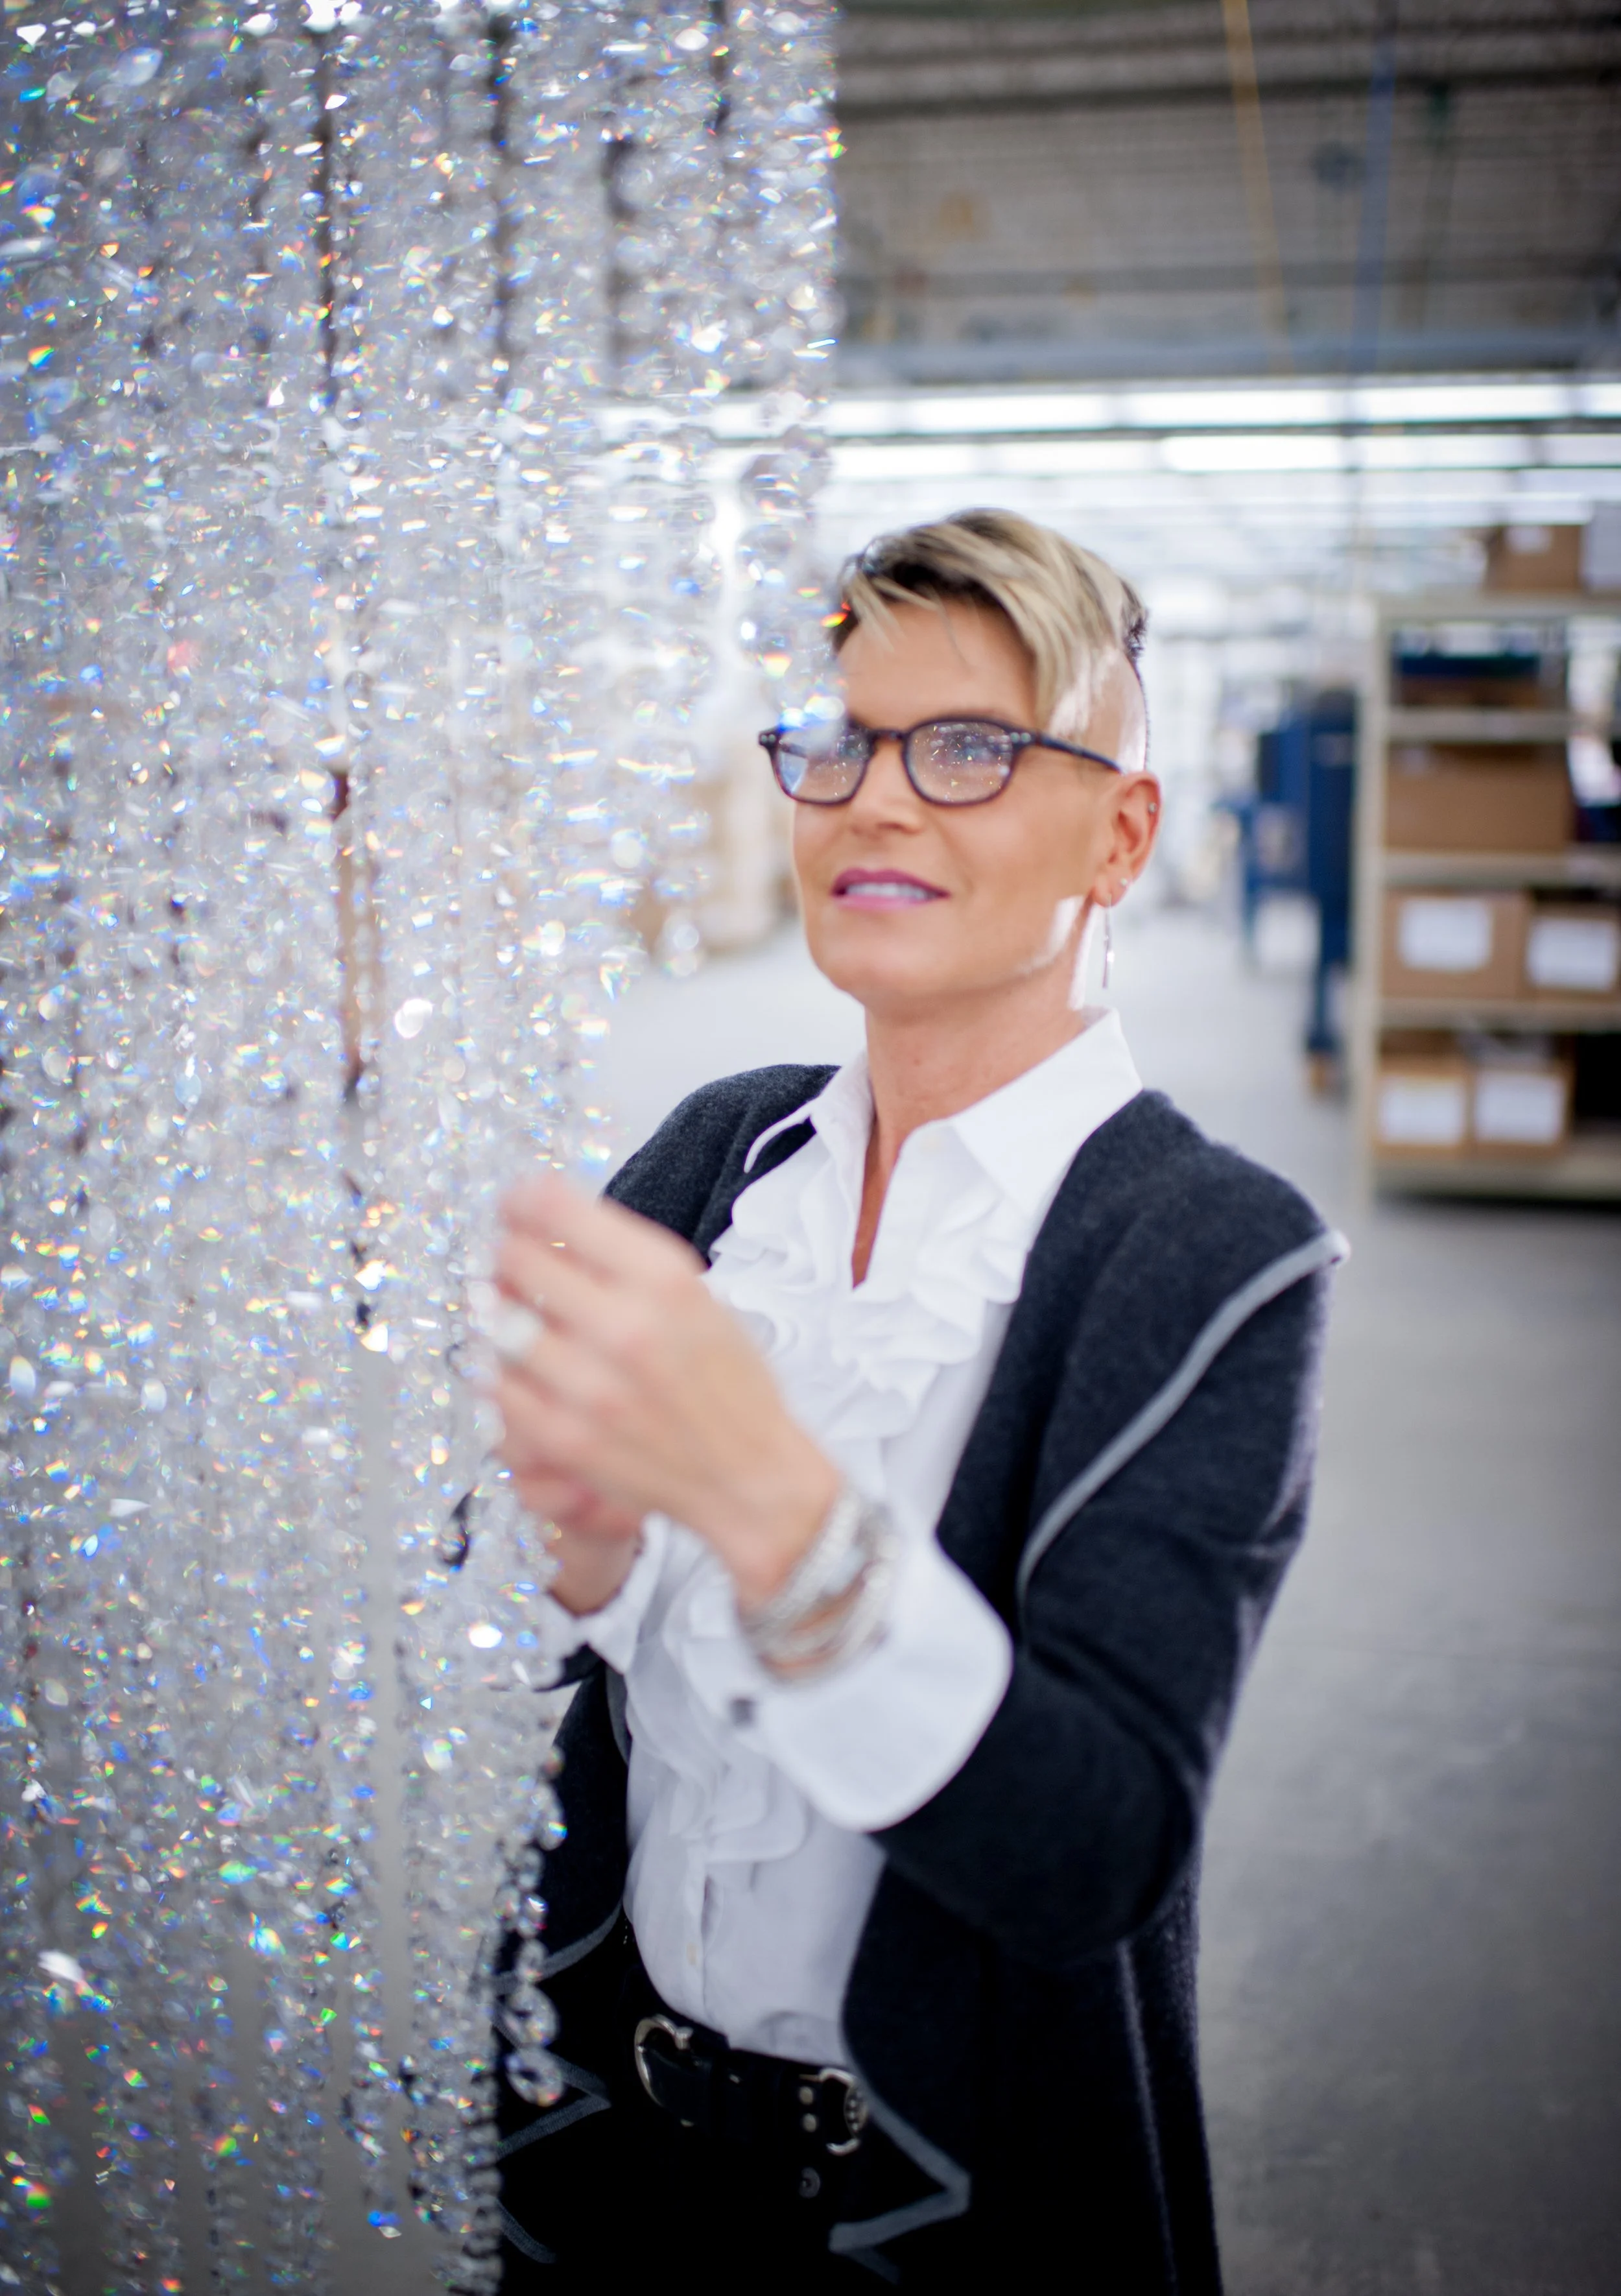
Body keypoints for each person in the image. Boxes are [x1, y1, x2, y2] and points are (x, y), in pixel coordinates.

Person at [486, 509, 1343, 2289]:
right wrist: (557, 1550)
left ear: (1118, 832)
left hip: (958, 2218)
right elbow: (547, 1679)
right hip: (614, 2179)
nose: (874, 799)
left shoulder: (1208, 1258)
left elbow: (1087, 1845)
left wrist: (772, 1512)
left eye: (966, 748)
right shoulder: (721, 1152)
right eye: (835, 742)